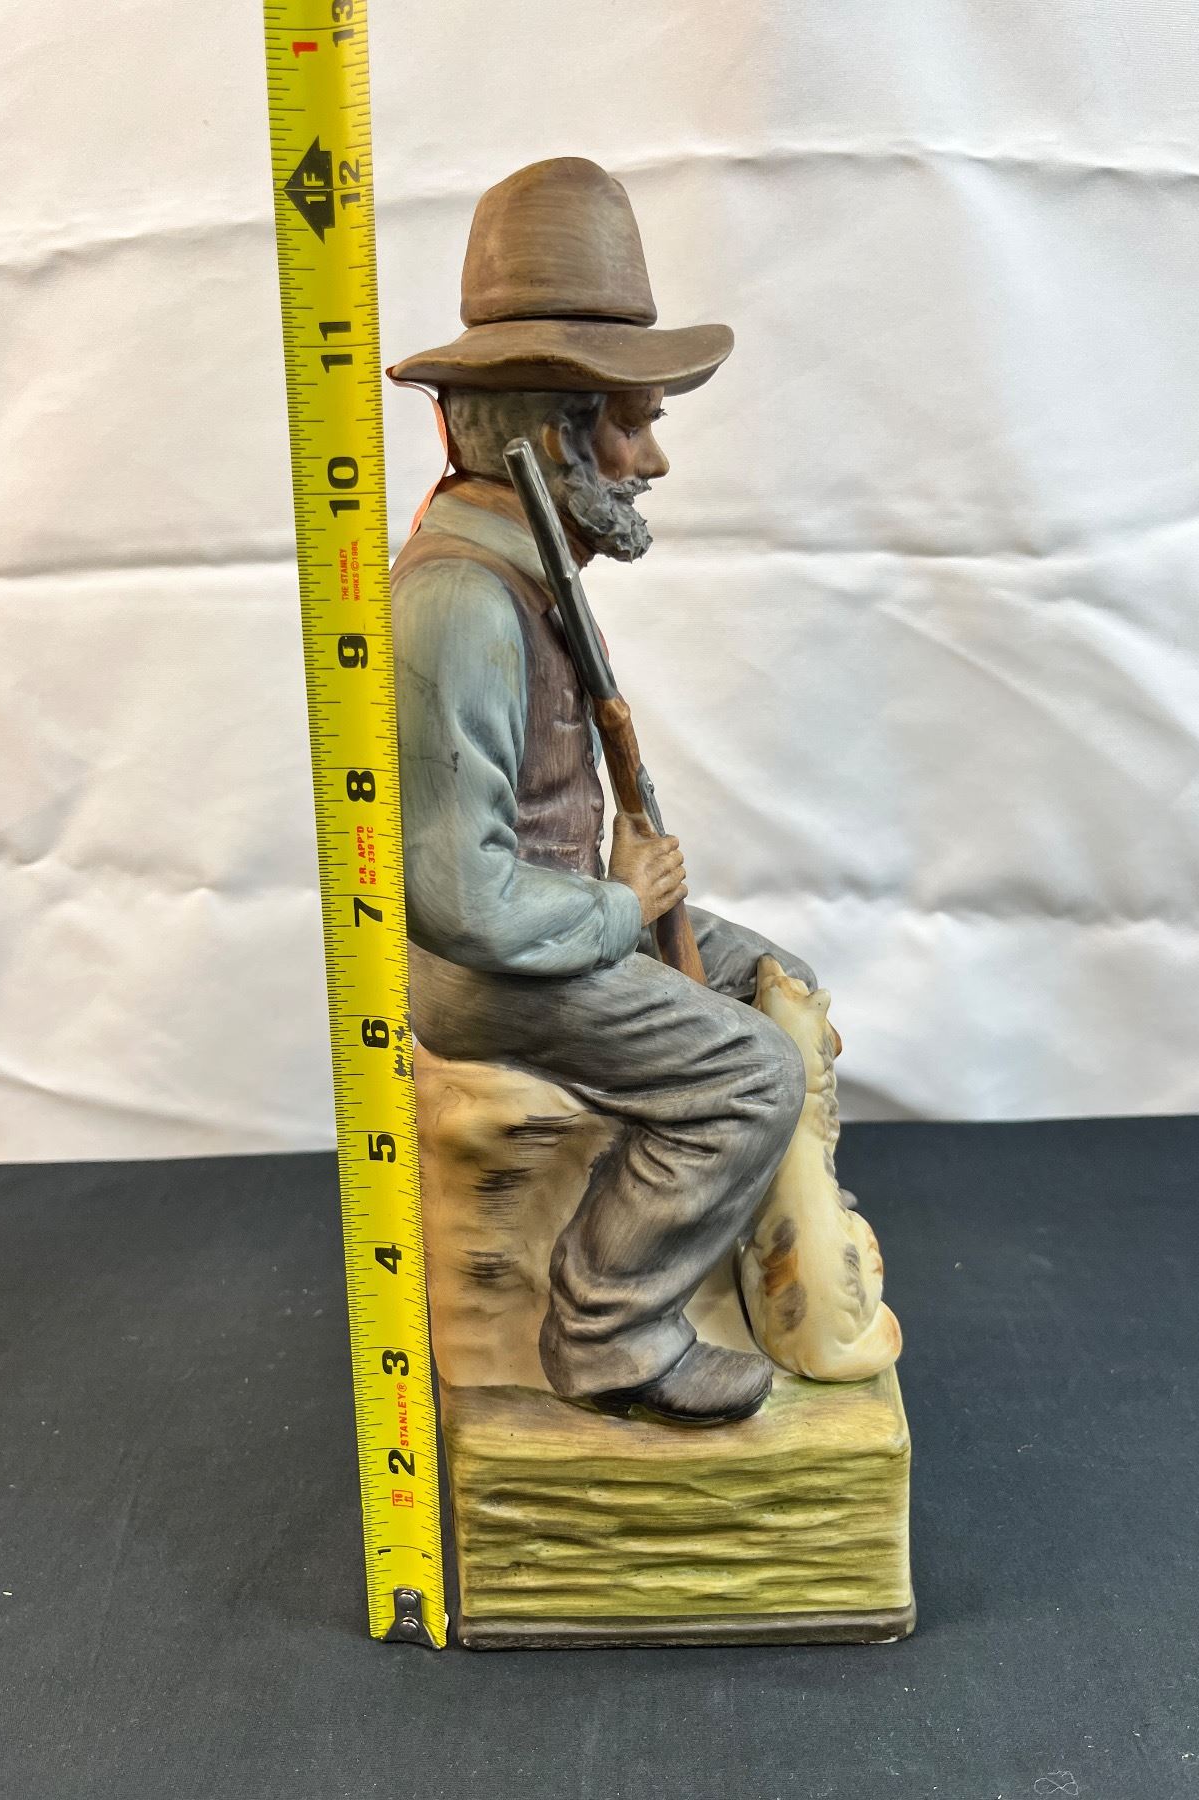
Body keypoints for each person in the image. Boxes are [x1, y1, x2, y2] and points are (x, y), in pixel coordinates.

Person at [387, 158, 816, 1425]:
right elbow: (461, 901)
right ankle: (613, 1339)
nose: (653, 459)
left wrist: (621, 900)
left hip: (565, 916)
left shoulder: (534, 570)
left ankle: (768, 1258)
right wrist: (624, 907)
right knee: (751, 1076)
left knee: (775, 979)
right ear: (546, 438)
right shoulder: (460, 604)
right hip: (497, 968)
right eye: (630, 423)